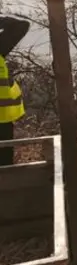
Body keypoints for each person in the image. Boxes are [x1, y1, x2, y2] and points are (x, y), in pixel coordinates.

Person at [0, 16, 28, 166]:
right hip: (4, 121)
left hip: (3, 120)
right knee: (5, 167)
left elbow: (21, 26)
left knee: (5, 168)